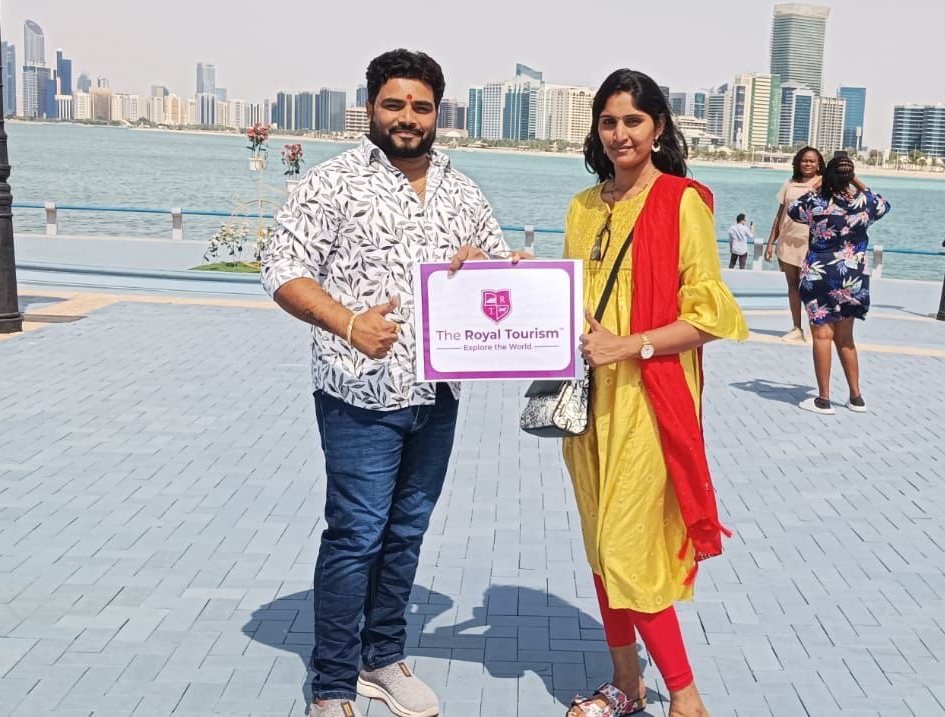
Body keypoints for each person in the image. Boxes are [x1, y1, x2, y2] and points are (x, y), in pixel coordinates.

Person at [261, 49, 528, 717]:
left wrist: (492, 265)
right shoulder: (332, 182)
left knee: (406, 531)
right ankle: (331, 682)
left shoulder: (462, 190)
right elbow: (281, 268)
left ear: (437, 112)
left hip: (438, 394)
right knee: (356, 533)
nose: (407, 117)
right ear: (371, 107)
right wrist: (349, 323)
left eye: (420, 106)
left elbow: (503, 271)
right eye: (394, 104)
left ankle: (381, 657)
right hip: (359, 393)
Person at [561, 68, 748, 717]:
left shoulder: (681, 203)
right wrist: (498, 272)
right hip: (587, 402)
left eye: (633, 121)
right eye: (608, 122)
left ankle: (685, 696)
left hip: (647, 402)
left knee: (626, 547)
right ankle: (626, 685)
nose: (620, 134)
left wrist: (629, 344)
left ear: (658, 127)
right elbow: (568, 297)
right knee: (600, 546)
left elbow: (709, 317)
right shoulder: (583, 207)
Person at [787, 154, 890, 415]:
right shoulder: (863, 203)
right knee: (846, 338)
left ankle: (823, 400)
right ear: (849, 176)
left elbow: (793, 208)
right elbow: (883, 204)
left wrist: (817, 186)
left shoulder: (816, 202)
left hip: (819, 275)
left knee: (822, 335)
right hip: (852, 277)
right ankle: (856, 397)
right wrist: (856, 181)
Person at [764, 146, 825, 342]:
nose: (808, 164)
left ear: (818, 164)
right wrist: (770, 242)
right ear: (798, 163)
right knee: (793, 286)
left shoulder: (824, 183)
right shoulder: (790, 184)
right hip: (787, 241)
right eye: (804, 160)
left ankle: (817, 328)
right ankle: (797, 327)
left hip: (811, 243)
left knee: (811, 287)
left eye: (812, 161)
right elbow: (780, 214)